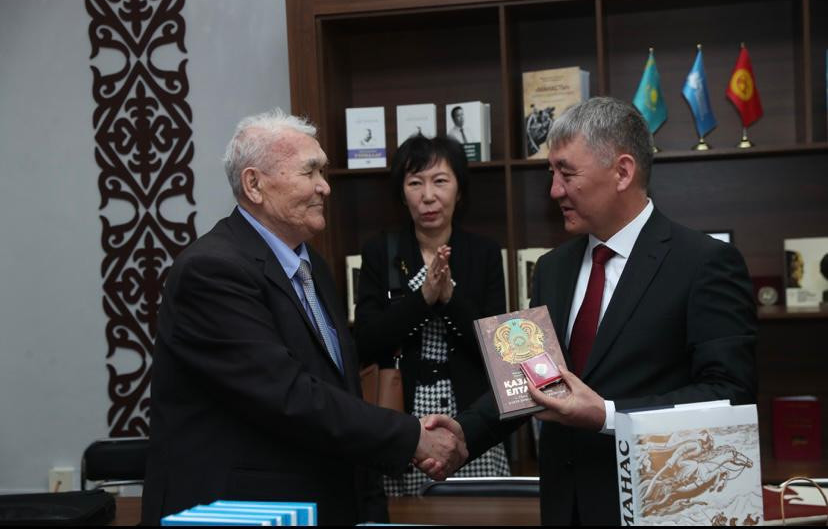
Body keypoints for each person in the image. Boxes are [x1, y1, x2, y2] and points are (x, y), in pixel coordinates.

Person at [141, 110, 467, 526]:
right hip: (240, 511)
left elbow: (341, 389)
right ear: (254, 185)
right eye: (309, 172)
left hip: (318, 501)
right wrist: (411, 436)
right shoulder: (211, 271)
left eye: (323, 171)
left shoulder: (309, 263)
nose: (324, 186)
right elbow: (287, 395)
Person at [445, 97, 757, 524]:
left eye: (567, 173)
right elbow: (531, 378)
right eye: (551, 173)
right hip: (564, 507)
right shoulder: (552, 268)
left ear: (623, 172)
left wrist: (608, 415)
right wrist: (462, 433)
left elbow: (729, 394)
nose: (554, 190)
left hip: (656, 506)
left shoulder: (704, 263)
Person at [354, 135, 509, 496]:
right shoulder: (381, 252)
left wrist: (449, 297)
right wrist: (423, 298)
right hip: (403, 420)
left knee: (477, 513)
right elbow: (366, 342)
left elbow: (498, 349)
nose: (428, 196)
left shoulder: (484, 253)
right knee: (407, 515)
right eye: (415, 183)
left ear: (459, 189)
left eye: (440, 181)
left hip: (470, 420)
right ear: (402, 193)